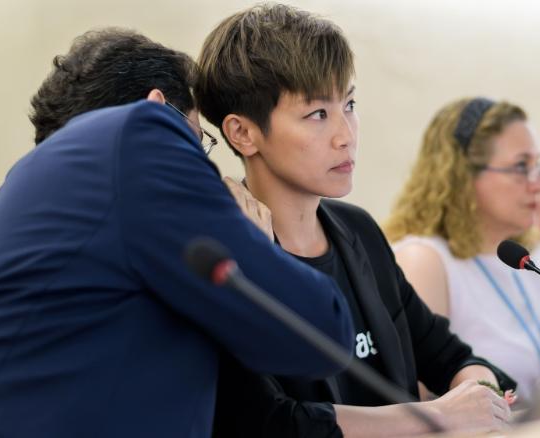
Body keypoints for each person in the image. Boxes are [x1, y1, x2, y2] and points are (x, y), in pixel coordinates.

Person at [0, 28, 354, 437]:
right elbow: (320, 331)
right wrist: (253, 242)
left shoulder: (29, 187)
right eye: (199, 145)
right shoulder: (142, 134)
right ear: (159, 109)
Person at [195, 4, 516, 436]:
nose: (345, 134)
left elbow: (451, 357)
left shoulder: (358, 231)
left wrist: (479, 396)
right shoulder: (225, 258)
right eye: (317, 114)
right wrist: (436, 417)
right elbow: (269, 423)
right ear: (243, 133)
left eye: (349, 104)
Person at [384, 97, 540, 403]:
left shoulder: (521, 257)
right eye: (521, 166)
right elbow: (412, 402)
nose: (538, 185)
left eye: (539, 167)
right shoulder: (424, 260)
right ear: (462, 175)